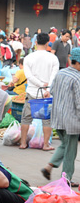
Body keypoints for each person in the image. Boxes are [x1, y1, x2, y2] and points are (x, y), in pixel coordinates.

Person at [40, 48, 80, 187]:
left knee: (64, 145)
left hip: (57, 117)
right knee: (70, 150)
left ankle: (49, 166)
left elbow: (51, 91)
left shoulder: (61, 73)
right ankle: (66, 179)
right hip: (72, 121)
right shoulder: (77, 79)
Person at [20, 32, 59, 151]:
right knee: (47, 120)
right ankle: (46, 144)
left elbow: (29, 76)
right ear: (48, 43)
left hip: (32, 91)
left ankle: (23, 143)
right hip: (47, 94)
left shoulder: (28, 57)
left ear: (35, 43)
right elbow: (54, 75)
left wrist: (41, 85)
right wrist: (47, 88)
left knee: (26, 118)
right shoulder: (53, 58)